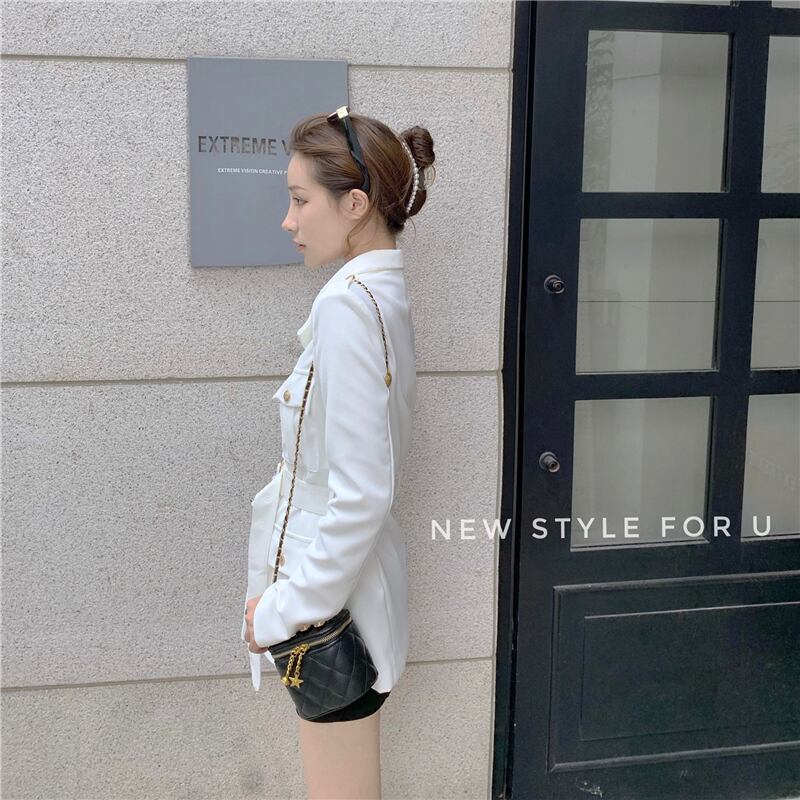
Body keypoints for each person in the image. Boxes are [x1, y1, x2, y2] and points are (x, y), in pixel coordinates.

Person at [242, 107, 435, 800]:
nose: (288, 221)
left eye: (300, 201)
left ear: (354, 205)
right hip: (340, 599)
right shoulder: (376, 295)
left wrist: (284, 608)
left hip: (330, 615)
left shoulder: (349, 307)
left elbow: (361, 494)